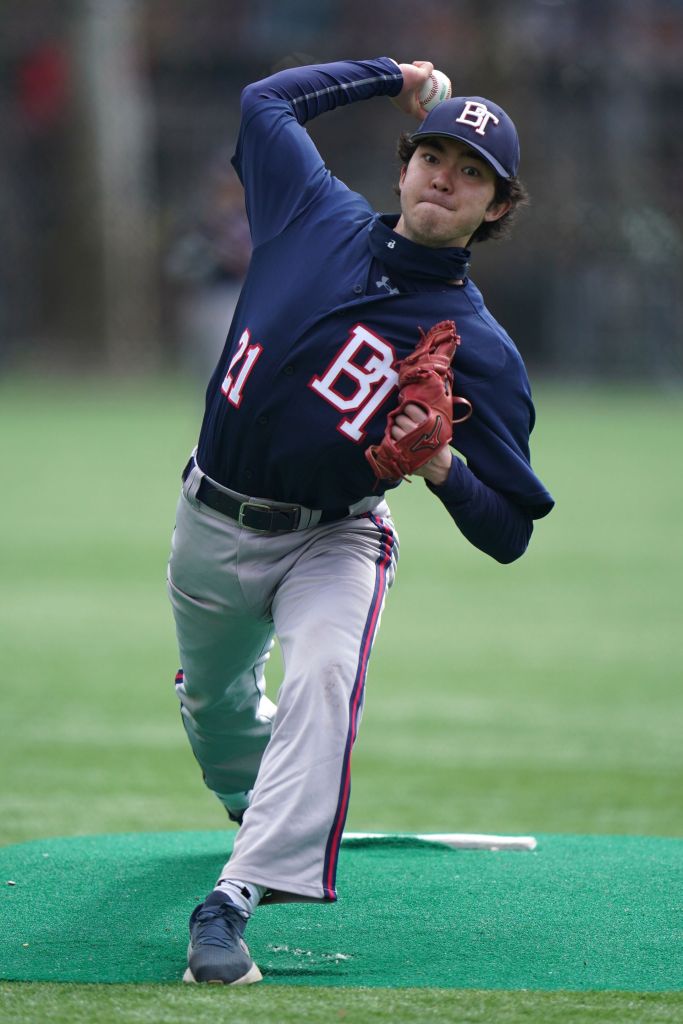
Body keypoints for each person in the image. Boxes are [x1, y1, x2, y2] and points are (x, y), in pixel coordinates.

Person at [167, 57, 554, 985]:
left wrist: (441, 468)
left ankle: (233, 900)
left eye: (472, 174)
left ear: (496, 207)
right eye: (434, 156)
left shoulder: (477, 347)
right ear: (404, 163)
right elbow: (264, 101)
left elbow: (510, 530)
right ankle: (254, 803)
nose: (445, 179)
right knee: (215, 707)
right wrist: (389, 74)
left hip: (333, 536)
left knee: (324, 678)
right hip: (209, 516)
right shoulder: (312, 211)